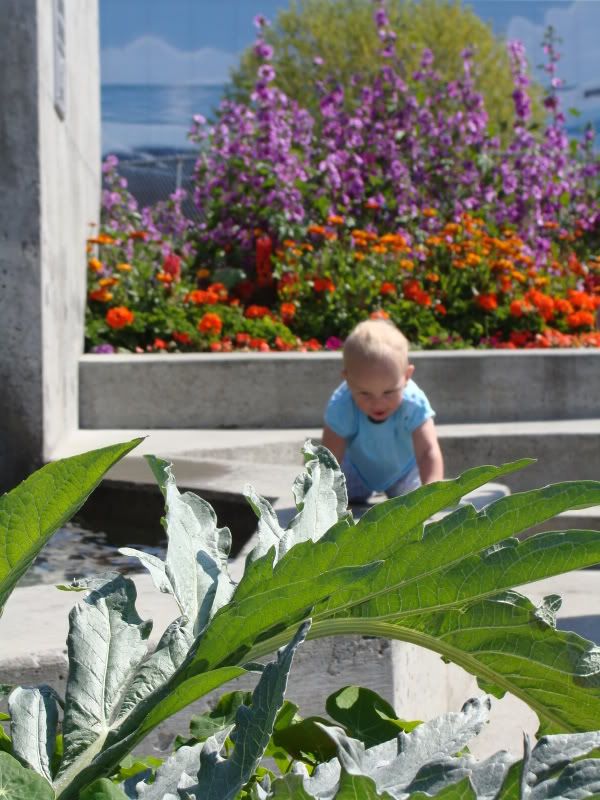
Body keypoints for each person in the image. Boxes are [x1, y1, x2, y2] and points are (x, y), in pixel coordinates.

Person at [322, 319, 443, 502]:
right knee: (340, 496)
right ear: (347, 380)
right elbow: (329, 457)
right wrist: (323, 497)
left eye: (389, 392)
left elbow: (427, 451)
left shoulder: (413, 403)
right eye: (364, 393)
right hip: (356, 469)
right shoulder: (342, 404)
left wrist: (433, 493)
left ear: (407, 376)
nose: (378, 403)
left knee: (413, 502)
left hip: (403, 471)